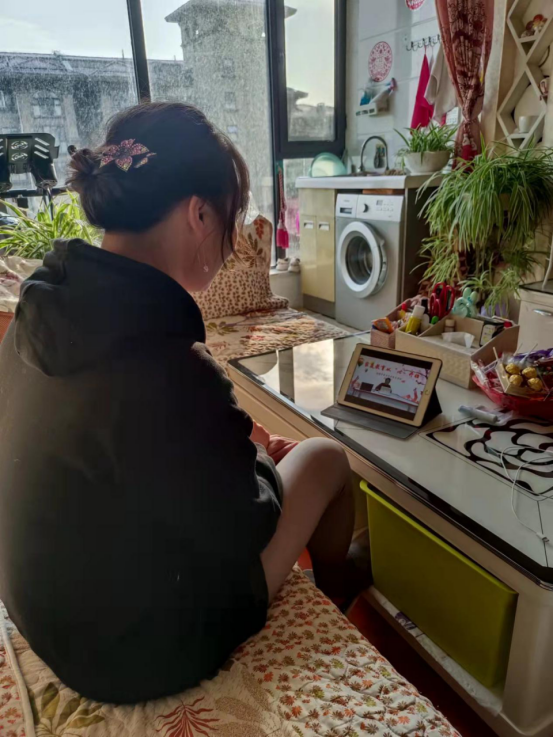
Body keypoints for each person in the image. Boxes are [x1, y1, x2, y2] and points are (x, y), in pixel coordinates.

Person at [0, 103, 358, 705]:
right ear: (199, 214)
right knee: (325, 458)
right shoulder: (170, 365)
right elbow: (246, 525)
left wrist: (232, 446)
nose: (233, 242)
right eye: (232, 219)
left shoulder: (34, 317)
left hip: (44, 611)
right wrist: (256, 457)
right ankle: (340, 586)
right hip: (132, 652)